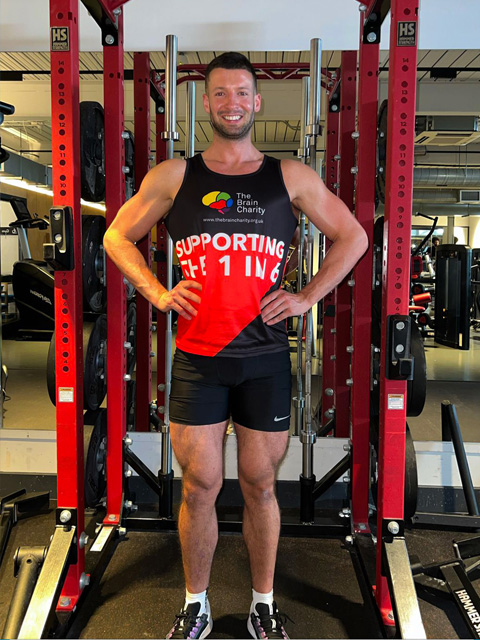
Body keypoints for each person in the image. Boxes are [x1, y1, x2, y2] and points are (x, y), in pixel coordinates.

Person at [103, 52, 368, 640]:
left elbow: (353, 236)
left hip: (265, 360)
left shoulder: (290, 176)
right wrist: (157, 291)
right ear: (207, 102)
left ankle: (262, 604)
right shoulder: (176, 175)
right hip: (198, 359)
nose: (232, 103)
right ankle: (195, 603)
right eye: (220, 94)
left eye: (242, 93)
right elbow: (117, 235)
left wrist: (306, 298)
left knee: (261, 484)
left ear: (257, 101)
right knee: (199, 486)